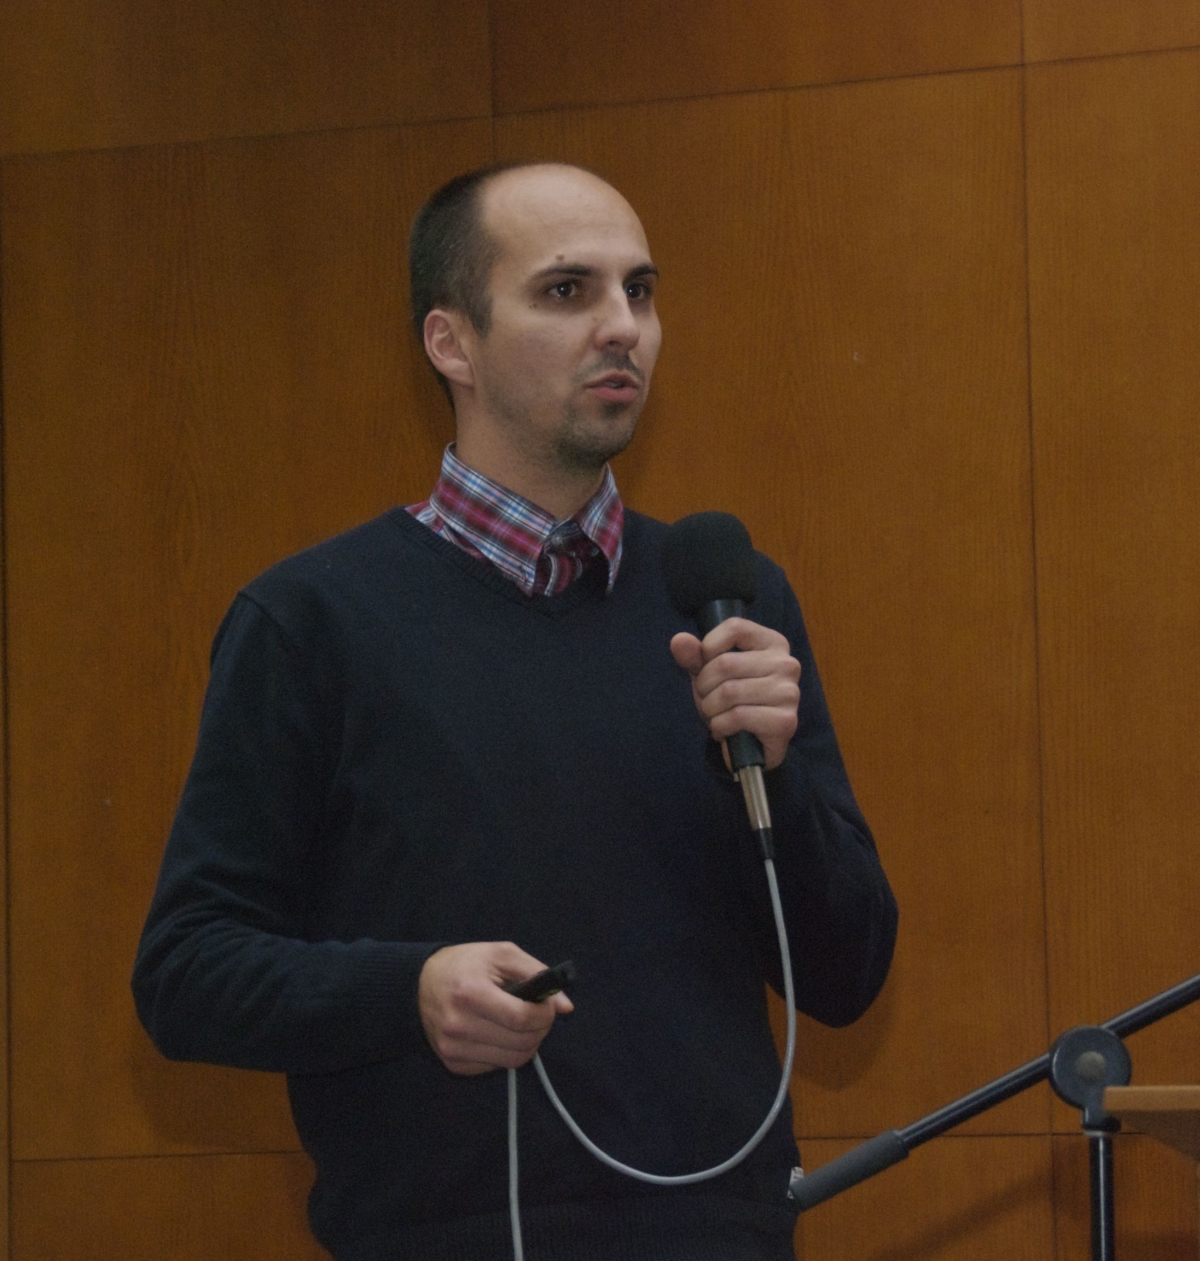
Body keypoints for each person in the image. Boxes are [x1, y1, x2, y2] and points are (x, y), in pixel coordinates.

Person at [133, 162, 898, 1261]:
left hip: (719, 1230)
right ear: (452, 343)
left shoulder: (726, 601)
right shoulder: (313, 621)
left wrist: (768, 773)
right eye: (567, 291)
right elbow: (187, 973)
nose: (622, 327)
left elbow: (849, 972)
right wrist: (408, 989)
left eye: (640, 290)